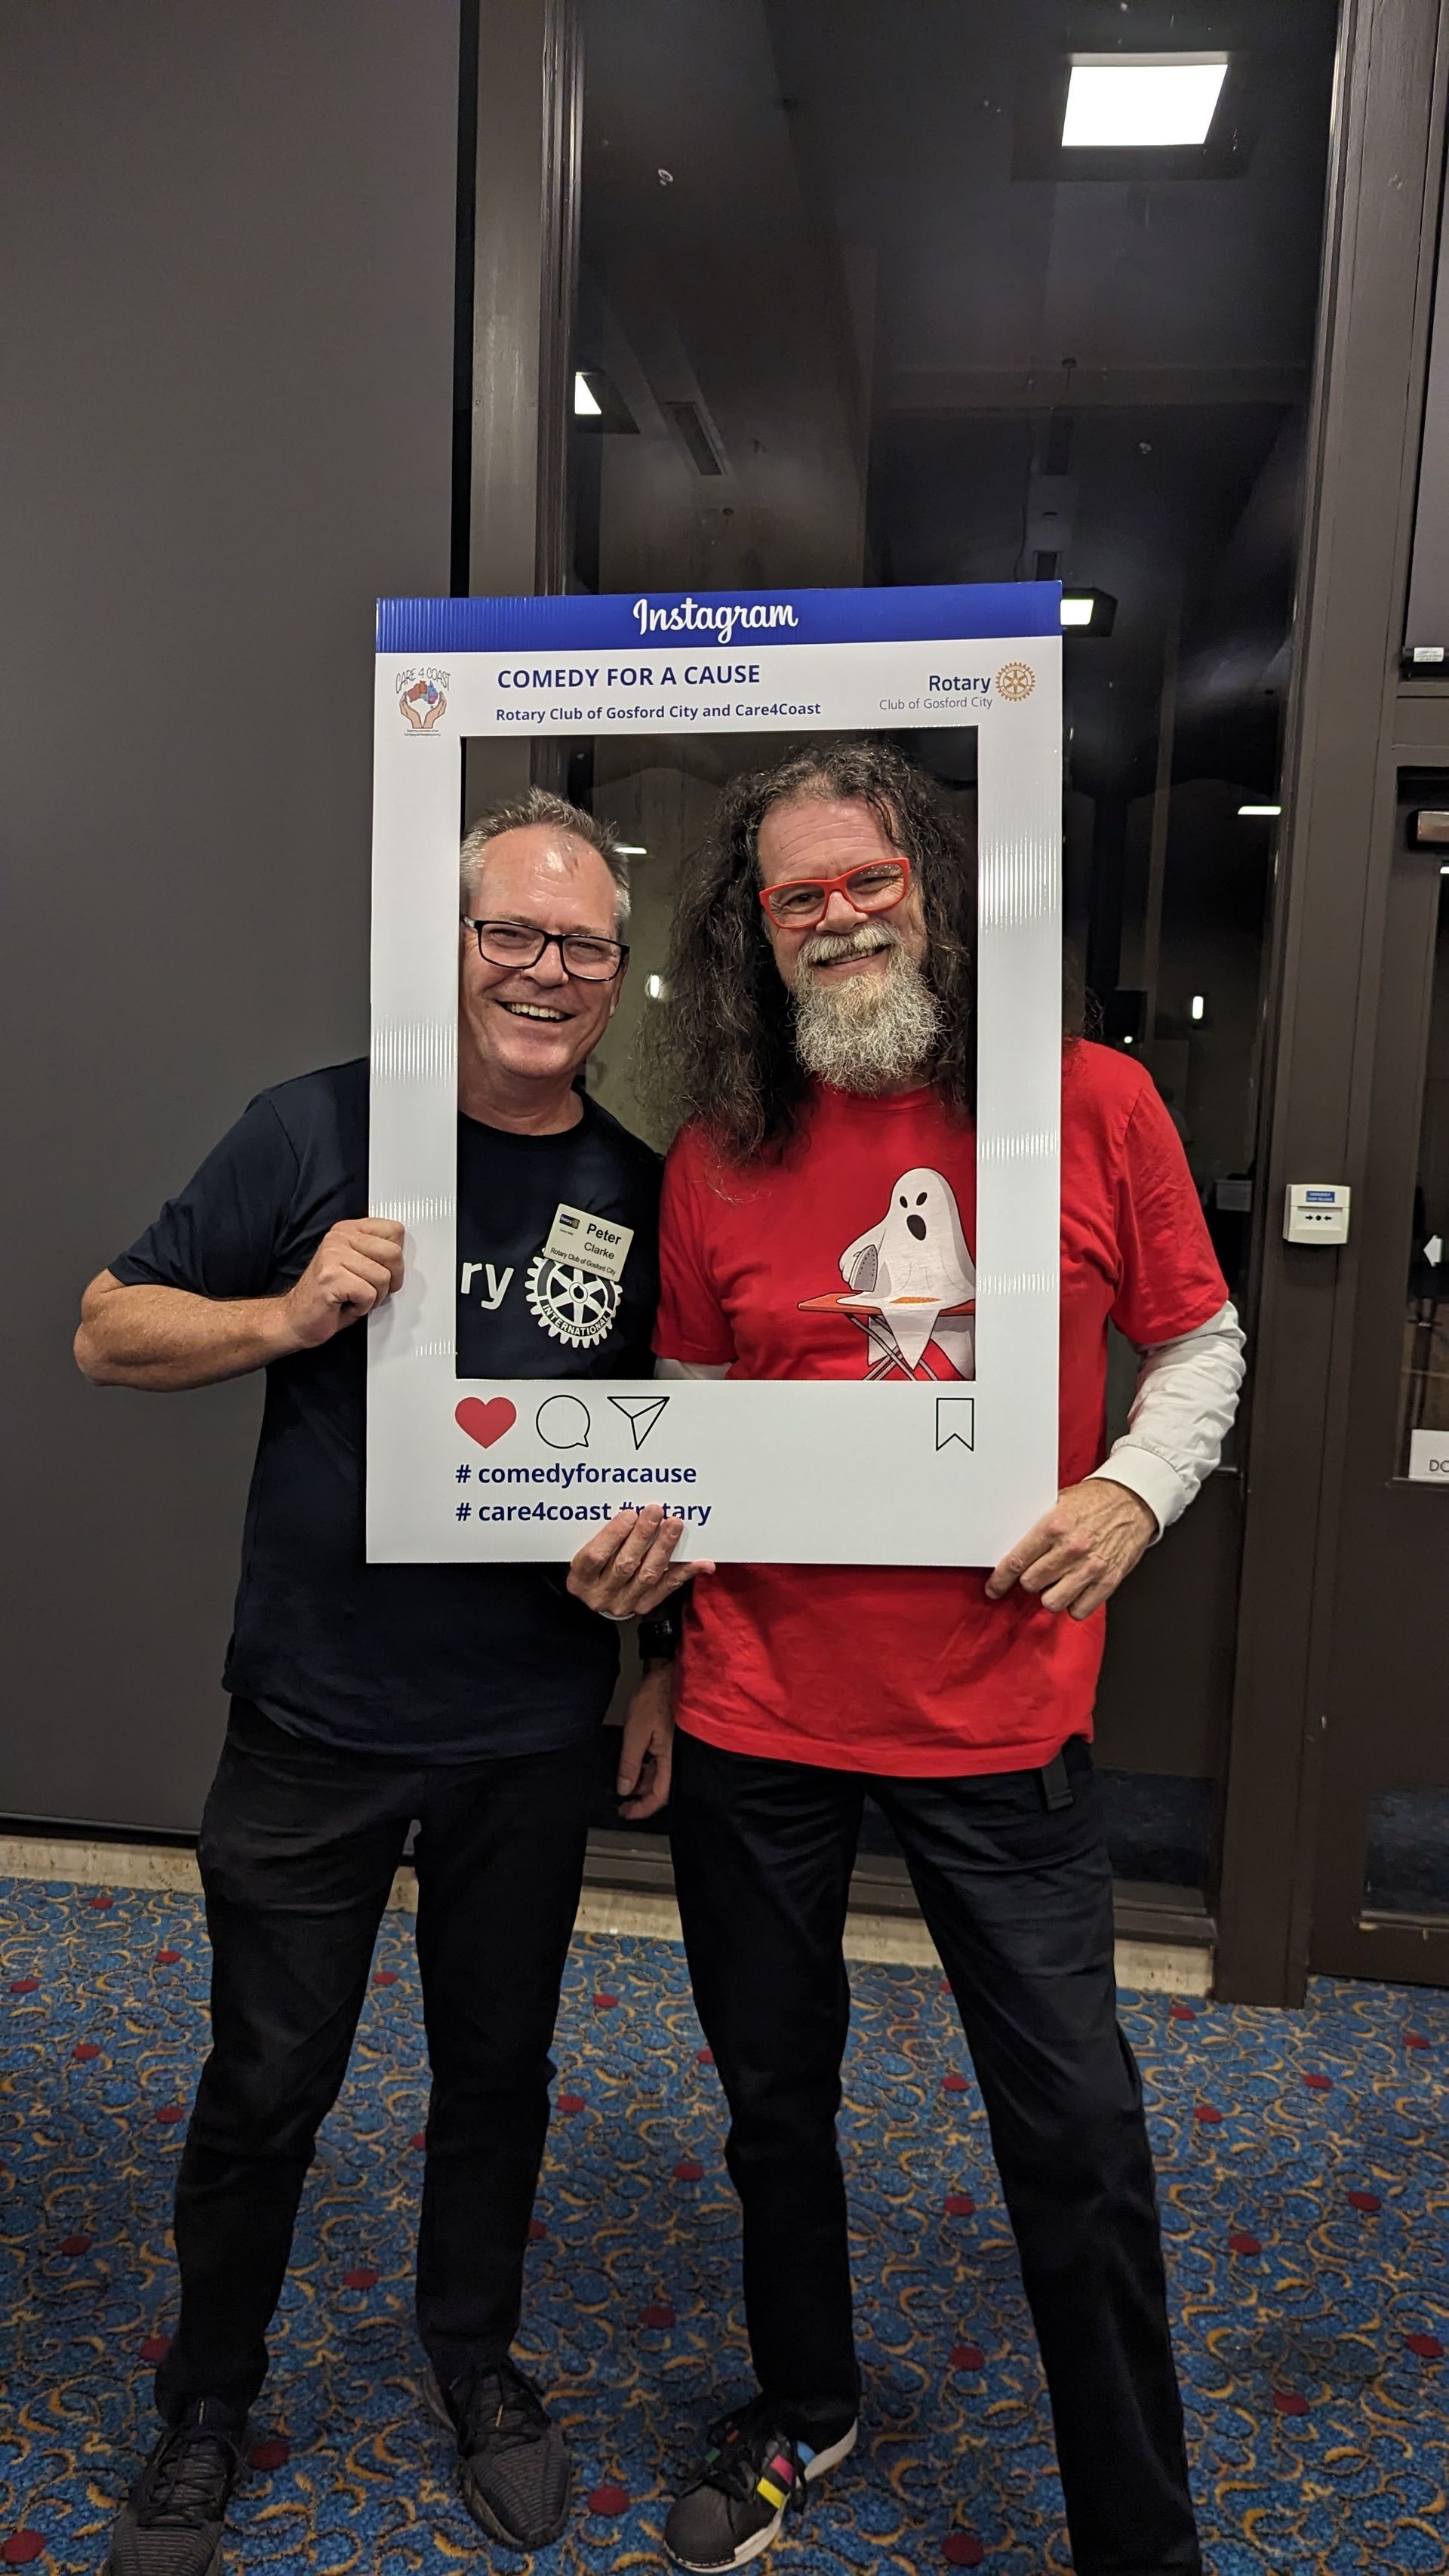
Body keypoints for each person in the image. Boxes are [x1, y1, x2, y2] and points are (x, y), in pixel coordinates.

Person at [591, 738, 1244, 2576]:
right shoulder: (725, 1153)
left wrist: (1127, 1491)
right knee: (770, 2099)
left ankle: (1139, 2530)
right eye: (798, 896)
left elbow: (1200, 1345)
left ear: (932, 889)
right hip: (757, 1713)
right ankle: (807, 2402)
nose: (839, 918)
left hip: (1004, 1714)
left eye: (866, 880)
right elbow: (698, 1422)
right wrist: (652, 1607)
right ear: (758, 930)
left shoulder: (1090, 1103)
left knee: (1080, 2136)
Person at [76, 789, 689, 2574]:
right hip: (316, 1718)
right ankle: (206, 2395)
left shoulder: (638, 1193)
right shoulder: (320, 1130)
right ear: (454, 940)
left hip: (526, 1725)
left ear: (617, 977)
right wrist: (283, 1312)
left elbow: (671, 1458)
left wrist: (653, 1659)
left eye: (583, 943)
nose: (546, 969)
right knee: (267, 2079)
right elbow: (111, 1326)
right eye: (514, 930)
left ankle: (473, 2358)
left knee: (500, 2072)